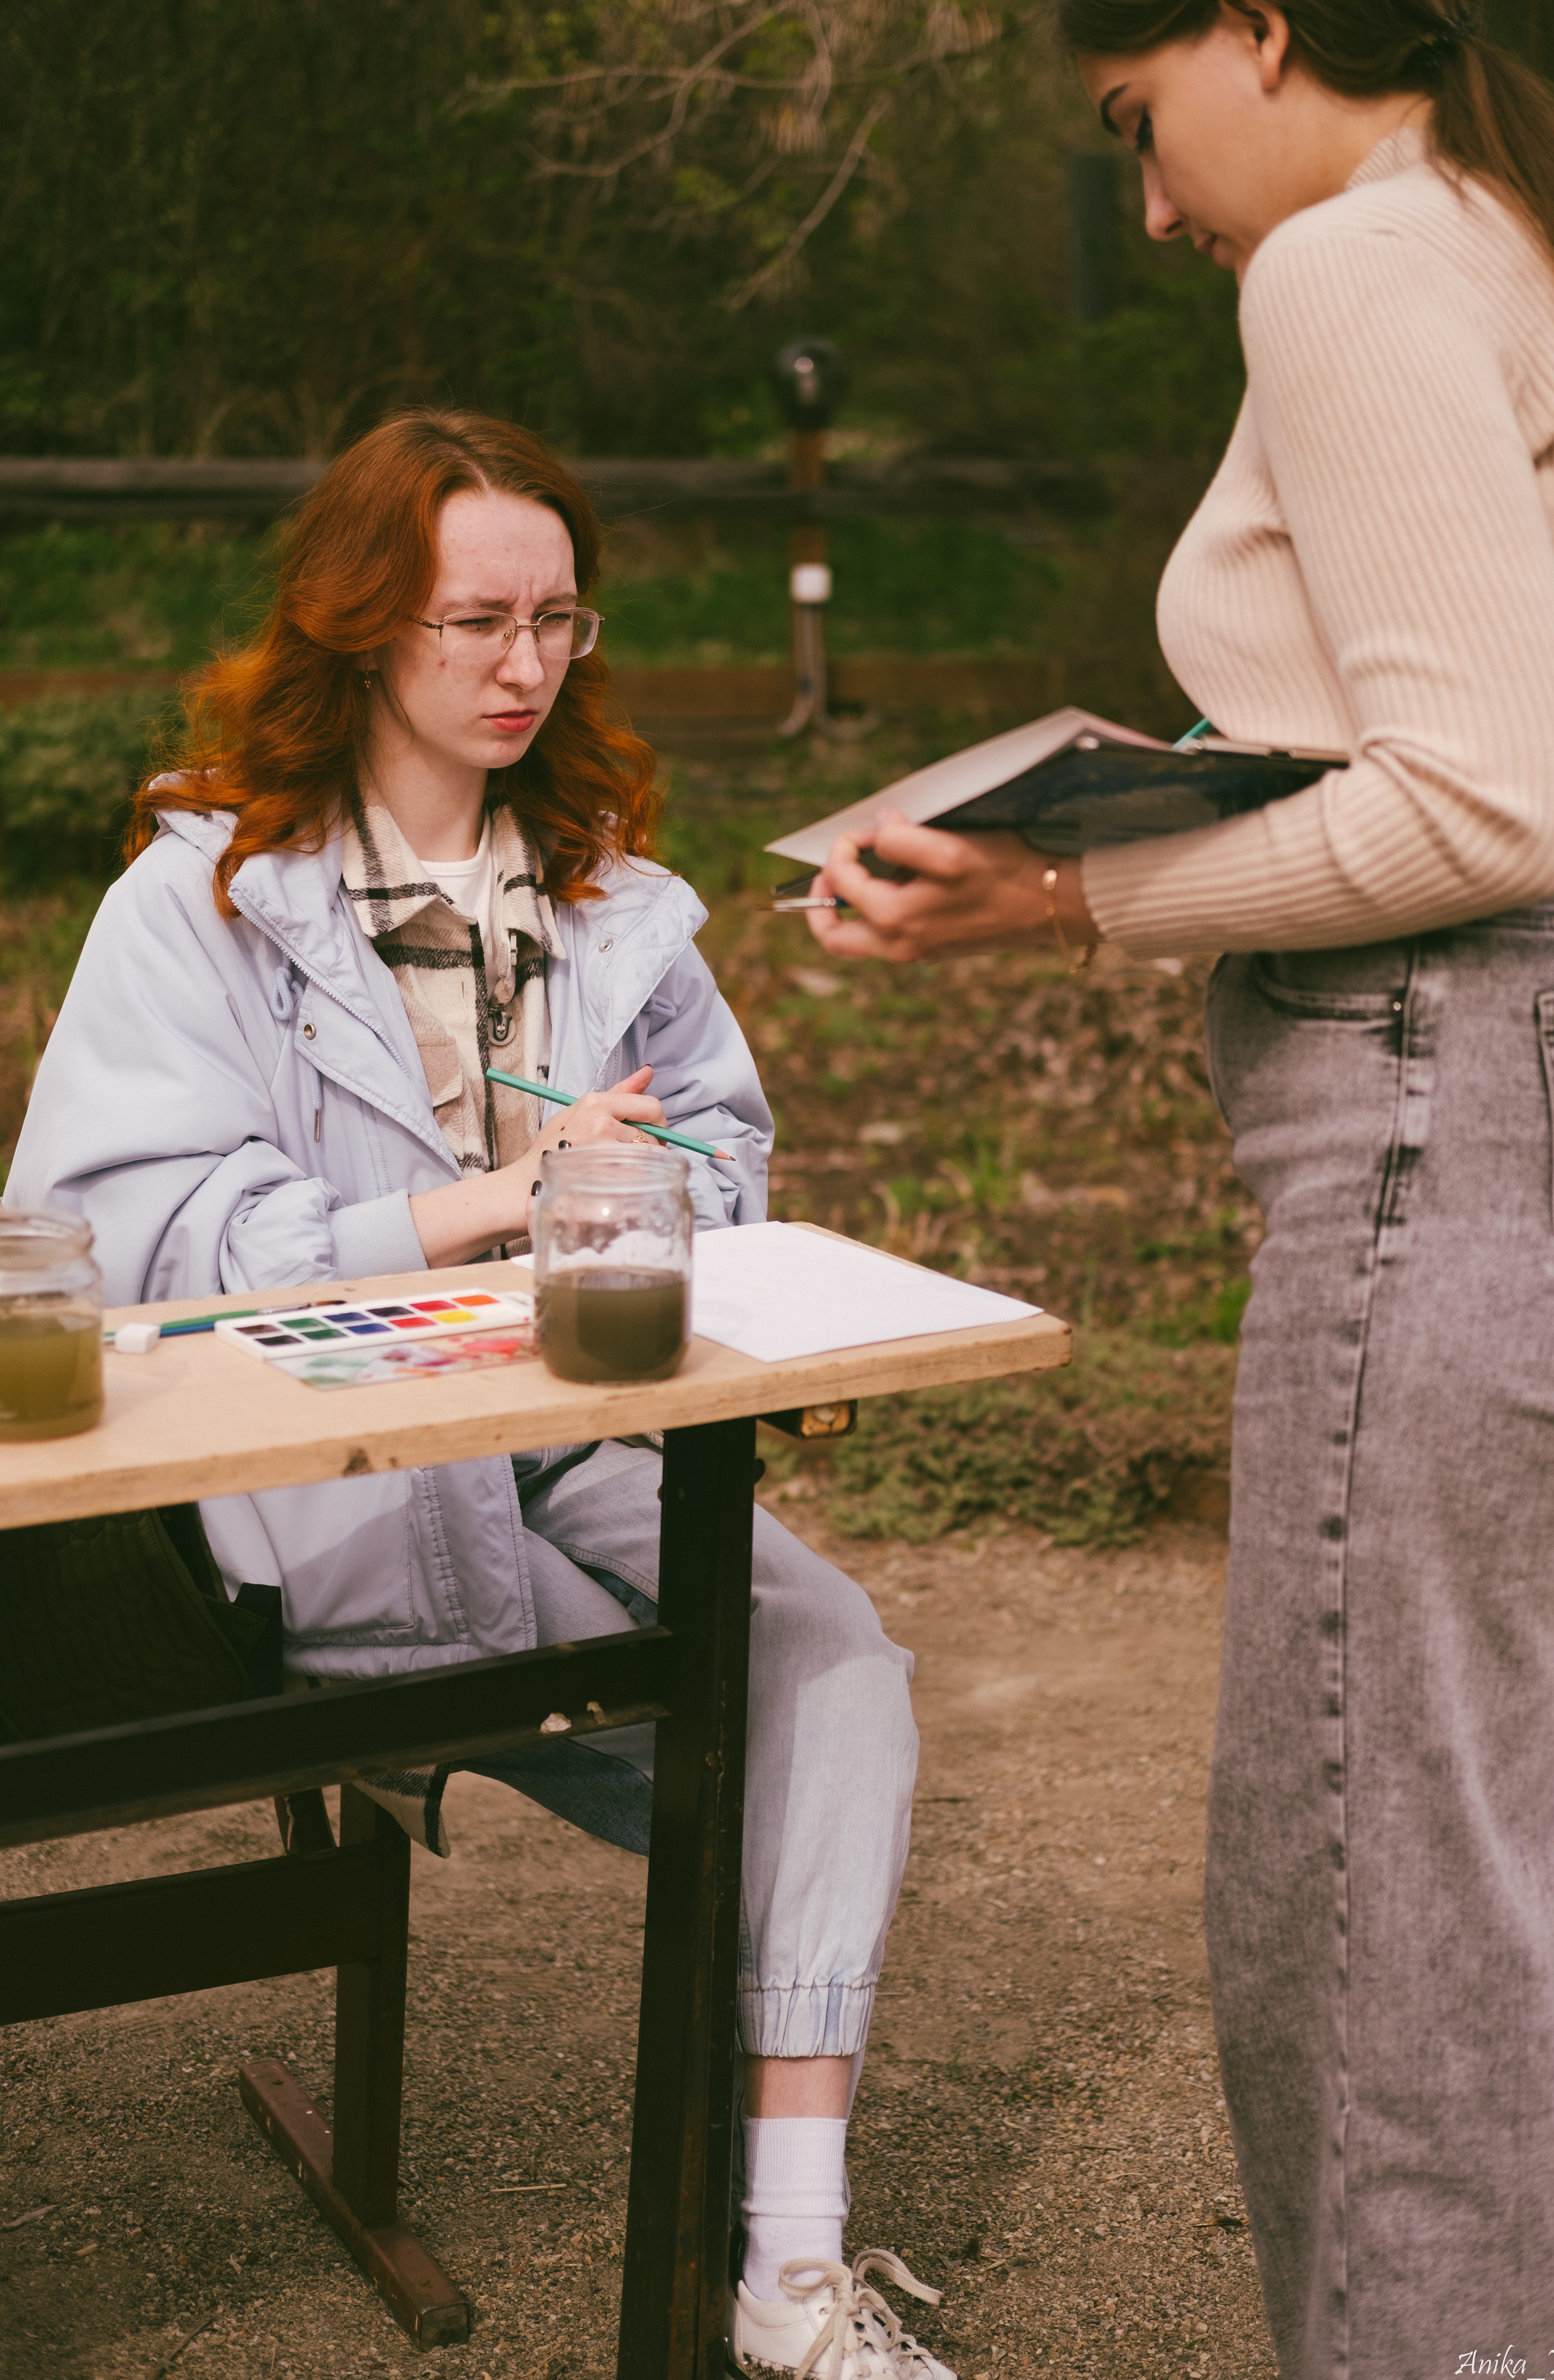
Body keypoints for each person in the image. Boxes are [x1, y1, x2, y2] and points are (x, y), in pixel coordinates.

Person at [804, 0, 1554, 2372]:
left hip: (1441, 1115)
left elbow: (1487, 800)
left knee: (1381, 1914)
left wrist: (1064, 888)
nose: (1148, 201)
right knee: (1550, 1901)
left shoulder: (1355, 259)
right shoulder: (1531, 235)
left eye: (1141, 118)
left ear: (1258, 25)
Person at [3, 409, 952, 2380]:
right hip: (297, 1493)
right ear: (362, 628)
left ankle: (787, 2267)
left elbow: (731, 1168)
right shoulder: (202, 905)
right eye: (476, 622)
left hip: (573, 1445)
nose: (527, 666)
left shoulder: (620, 908)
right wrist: (475, 1206)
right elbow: (128, 1241)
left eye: (560, 620)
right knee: (758, 1760)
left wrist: (639, 1191)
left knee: (834, 1672)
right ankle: (729, 1871)